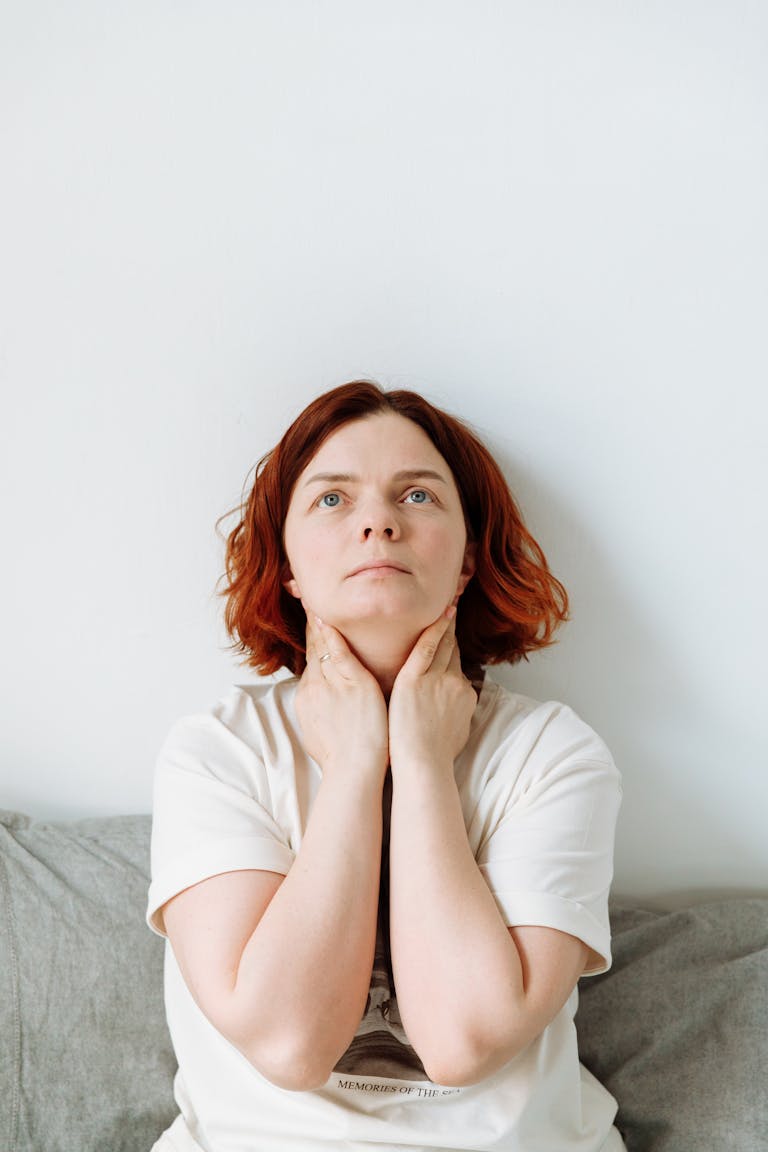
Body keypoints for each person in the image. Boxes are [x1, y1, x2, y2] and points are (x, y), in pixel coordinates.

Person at [146, 380, 626, 1152]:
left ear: (468, 560)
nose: (378, 521)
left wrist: (427, 765)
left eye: (418, 496)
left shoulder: (553, 755)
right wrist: (358, 763)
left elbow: (463, 1044)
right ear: (290, 568)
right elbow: (288, 1044)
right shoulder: (218, 750)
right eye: (332, 501)